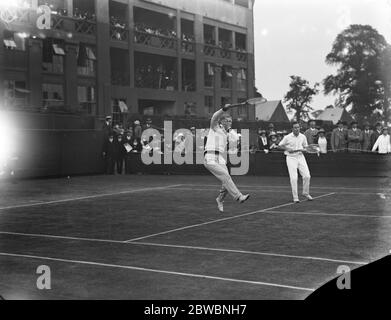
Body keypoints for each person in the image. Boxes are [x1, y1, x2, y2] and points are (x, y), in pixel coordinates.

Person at [204, 105, 250, 213]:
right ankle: (239, 197)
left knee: (226, 181)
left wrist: (229, 129)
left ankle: (219, 199)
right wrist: (223, 109)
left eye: (231, 121)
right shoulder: (215, 127)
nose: (230, 122)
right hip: (210, 156)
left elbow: (237, 138)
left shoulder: (227, 133)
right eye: (227, 121)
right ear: (222, 121)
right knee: (226, 176)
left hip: (220, 158)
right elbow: (215, 116)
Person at [278, 122, 312, 203]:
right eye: (295, 127)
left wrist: (307, 150)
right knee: (294, 178)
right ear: (292, 129)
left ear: (300, 128)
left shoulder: (303, 136)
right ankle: (295, 197)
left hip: (300, 157)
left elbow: (306, 147)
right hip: (291, 158)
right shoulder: (287, 137)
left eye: (298, 127)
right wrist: (287, 149)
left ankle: (305, 193)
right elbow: (279, 146)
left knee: (307, 176)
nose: (297, 129)